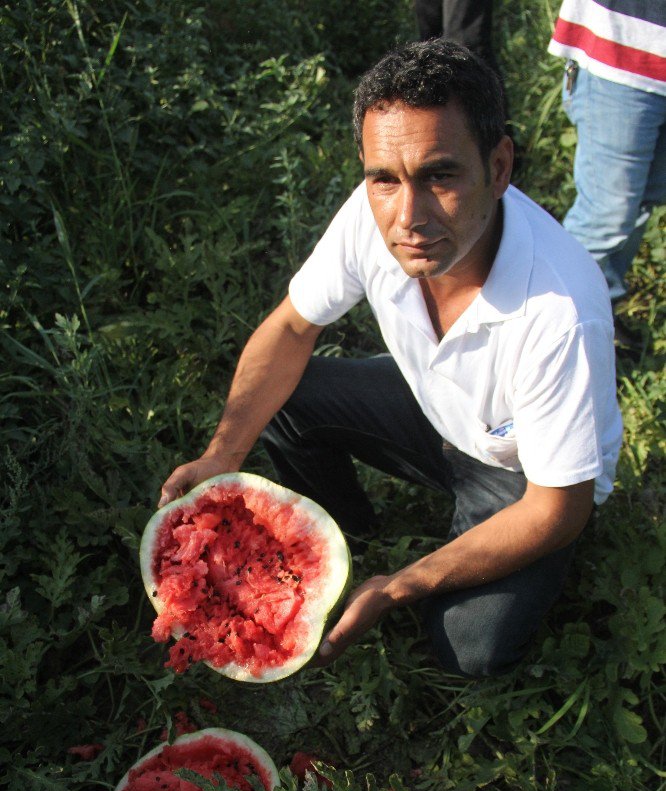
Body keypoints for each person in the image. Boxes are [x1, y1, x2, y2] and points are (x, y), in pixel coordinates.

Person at [159, 40, 622, 678]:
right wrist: (222, 455)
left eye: (440, 175)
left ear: (500, 165)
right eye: (385, 179)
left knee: (470, 651)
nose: (409, 216)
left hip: (525, 475)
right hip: (435, 411)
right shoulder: (373, 216)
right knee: (285, 397)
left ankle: (391, 578)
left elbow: (558, 509)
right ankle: (344, 537)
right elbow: (292, 327)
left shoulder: (561, 309)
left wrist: (406, 583)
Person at [548, 1, 666, 342]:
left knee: (644, 200)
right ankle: (557, 336)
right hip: (624, 53)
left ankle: (598, 317)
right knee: (606, 217)